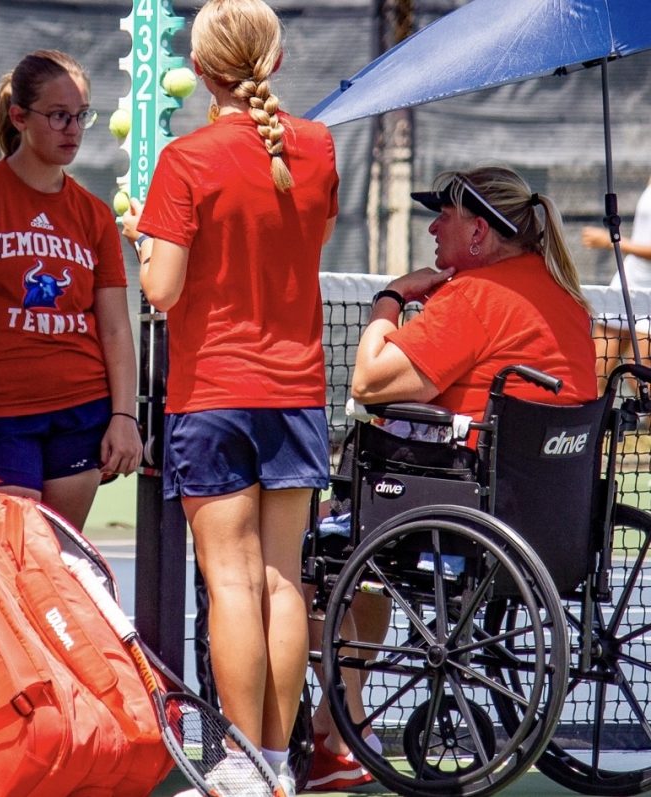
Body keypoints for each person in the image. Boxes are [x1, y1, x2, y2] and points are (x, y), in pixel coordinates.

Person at [311, 165, 598, 789]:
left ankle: (344, 735)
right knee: (367, 567)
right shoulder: (567, 301)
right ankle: (337, 732)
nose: (434, 226)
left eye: (446, 215)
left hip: (464, 513)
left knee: (320, 555)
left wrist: (391, 296)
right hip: (551, 527)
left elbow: (368, 382)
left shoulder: (473, 296)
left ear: (480, 234)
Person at [121, 1, 340, 792]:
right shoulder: (317, 146)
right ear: (272, 62)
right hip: (298, 393)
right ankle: (274, 762)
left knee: (232, 584)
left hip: (213, 393)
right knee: (283, 580)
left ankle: (241, 766)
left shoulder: (187, 160)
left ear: (202, 67)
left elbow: (164, 291)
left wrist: (146, 244)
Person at [0, 50, 141, 532]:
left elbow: (116, 329)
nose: (73, 130)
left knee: (58, 561)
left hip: (81, 411)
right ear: (19, 117)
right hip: (2, 417)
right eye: (59, 116)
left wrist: (124, 414)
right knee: (12, 558)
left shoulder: (93, 213)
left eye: (81, 116)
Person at [582, 175, 651, 395]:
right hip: (627, 283)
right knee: (595, 372)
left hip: (648, 297)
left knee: (641, 381)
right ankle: (591, 429)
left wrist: (613, 242)